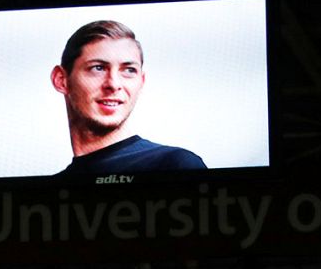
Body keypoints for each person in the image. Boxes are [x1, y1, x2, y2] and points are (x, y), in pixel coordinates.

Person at [50, 20, 205, 180]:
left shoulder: (175, 166)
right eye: (98, 68)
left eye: (129, 70)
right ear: (61, 80)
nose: (114, 84)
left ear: (141, 82)